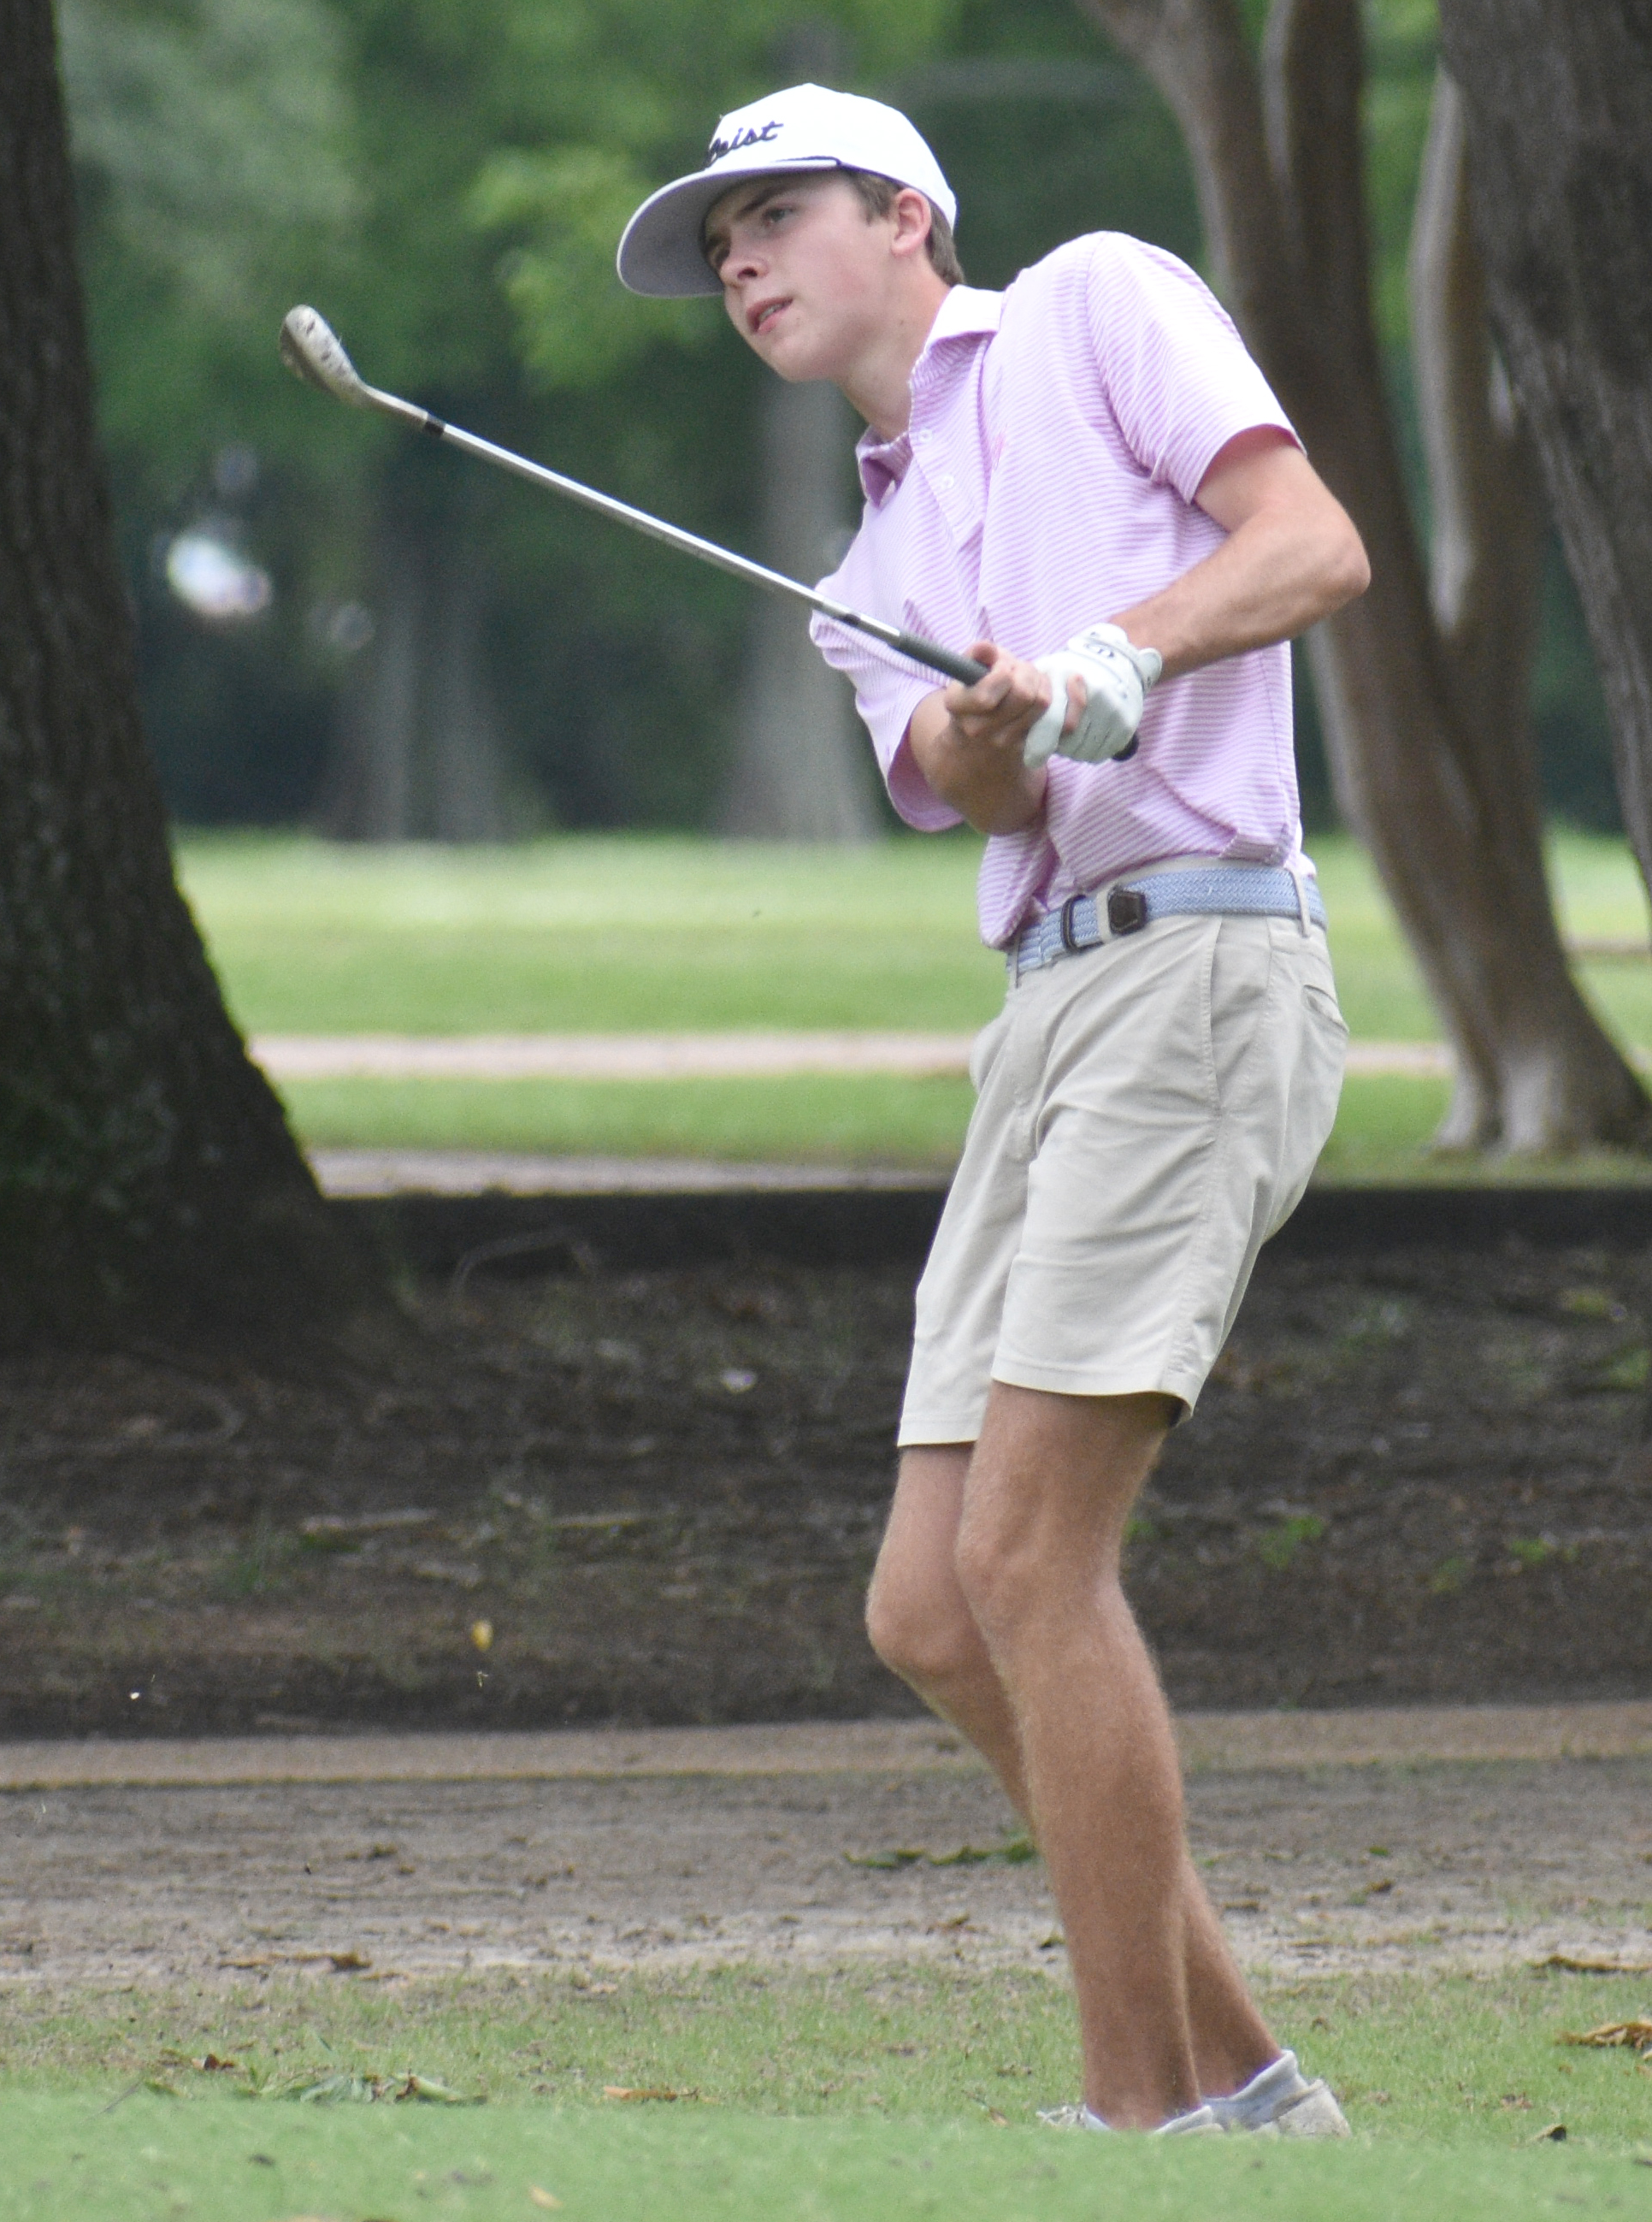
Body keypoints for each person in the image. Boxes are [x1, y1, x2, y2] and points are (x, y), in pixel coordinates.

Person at [618, 83, 1367, 2136]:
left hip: (1203, 958)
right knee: (932, 1603)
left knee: (1034, 1555)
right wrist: (977, 725)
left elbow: (1312, 542)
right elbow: (993, 797)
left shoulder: (1096, 307)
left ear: (906, 214)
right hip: (1044, 1007)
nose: (741, 263)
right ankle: (1258, 2089)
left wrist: (1122, 646)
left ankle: (1143, 2123)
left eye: (773, 215)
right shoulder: (857, 565)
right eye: (719, 246)